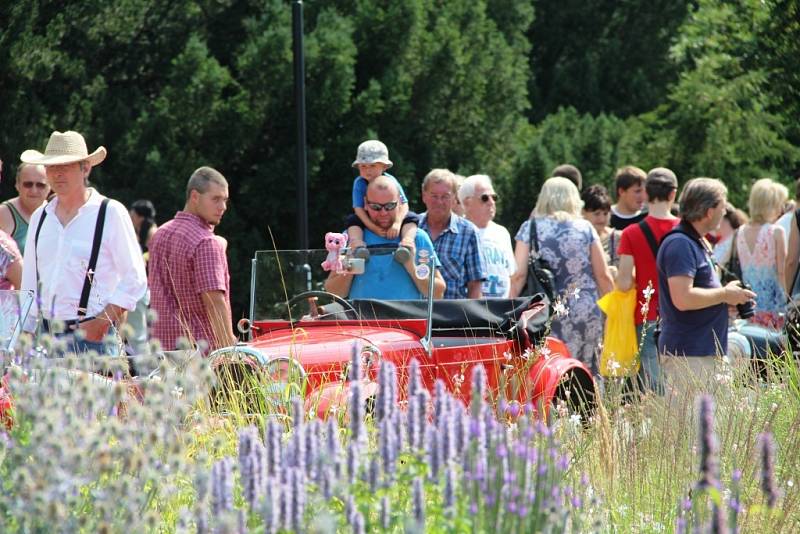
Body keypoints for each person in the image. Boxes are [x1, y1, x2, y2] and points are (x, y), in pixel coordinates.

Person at [19, 130, 147, 355]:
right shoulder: (41, 217)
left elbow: (135, 278)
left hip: (95, 337)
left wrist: (101, 322)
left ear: (85, 168)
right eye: (52, 167)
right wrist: (25, 333)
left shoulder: (110, 213)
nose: (57, 173)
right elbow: (30, 281)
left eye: (65, 166)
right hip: (46, 335)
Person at [656, 178, 756, 388]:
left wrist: (728, 300)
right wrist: (724, 295)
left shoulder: (694, 241)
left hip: (701, 350)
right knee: (693, 421)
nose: (725, 211)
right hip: (690, 354)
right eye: (722, 206)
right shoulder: (680, 244)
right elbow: (683, 298)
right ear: (709, 211)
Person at [510, 177, 614, 371]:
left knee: (548, 369)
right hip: (584, 311)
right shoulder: (585, 228)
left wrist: (508, 309)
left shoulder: (530, 228)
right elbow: (603, 275)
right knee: (587, 370)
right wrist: (614, 311)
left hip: (544, 313)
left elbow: (518, 275)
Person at [149, 167, 236, 352]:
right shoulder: (205, 241)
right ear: (195, 196)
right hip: (201, 357)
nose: (223, 207)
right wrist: (230, 353)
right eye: (216, 199)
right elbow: (215, 304)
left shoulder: (159, 235)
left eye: (225, 200)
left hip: (162, 353)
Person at [326, 176, 445, 299]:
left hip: (406, 317)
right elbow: (334, 293)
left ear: (399, 202)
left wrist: (411, 266)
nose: (383, 213)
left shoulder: (417, 237)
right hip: (363, 317)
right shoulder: (351, 237)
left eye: (390, 206)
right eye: (376, 207)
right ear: (365, 204)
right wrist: (351, 264)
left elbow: (438, 293)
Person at [615, 168, 680, 395]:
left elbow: (623, 283)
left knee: (656, 391)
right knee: (681, 387)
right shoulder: (685, 230)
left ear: (647, 193)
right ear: (673, 194)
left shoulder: (631, 233)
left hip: (646, 317)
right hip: (681, 316)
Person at [721, 178, 788, 328]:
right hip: (774, 306)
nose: (781, 208)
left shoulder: (739, 232)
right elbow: (782, 272)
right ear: (770, 204)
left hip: (747, 305)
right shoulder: (776, 231)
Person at [419, 168, 487, 299]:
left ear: (455, 198)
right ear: (424, 196)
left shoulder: (468, 232)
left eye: (445, 196)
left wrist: (471, 318)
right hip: (414, 314)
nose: (439, 202)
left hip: (453, 316)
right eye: (434, 196)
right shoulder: (412, 229)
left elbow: (475, 285)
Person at [345, 140, 417, 254]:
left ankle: (407, 243)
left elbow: (404, 204)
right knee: (352, 220)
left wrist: (397, 223)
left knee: (411, 218)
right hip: (367, 216)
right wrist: (372, 227)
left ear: (384, 166)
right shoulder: (359, 183)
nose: (368, 170)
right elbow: (358, 208)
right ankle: (357, 245)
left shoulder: (392, 181)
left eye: (372, 165)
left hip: (393, 216)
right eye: (363, 166)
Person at [459, 175, 516, 298]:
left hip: (501, 311)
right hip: (469, 310)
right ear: (467, 202)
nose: (491, 202)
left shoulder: (502, 233)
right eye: (484, 198)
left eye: (494, 197)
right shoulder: (458, 232)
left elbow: (512, 276)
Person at [125, 199, 158, 356]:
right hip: (139, 284)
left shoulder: (152, 231)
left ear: (140, 216)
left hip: (146, 285)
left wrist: (142, 258)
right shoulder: (136, 231)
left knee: (140, 333)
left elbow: (154, 255)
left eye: (132, 214)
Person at [0, 163, 50, 254]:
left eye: (40, 185)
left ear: (49, 187)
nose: (34, 190)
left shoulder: (56, 214)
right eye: (28, 184)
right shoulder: (3, 214)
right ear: (17, 185)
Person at [581, 185, 621, 278]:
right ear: (583, 212)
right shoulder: (577, 239)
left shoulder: (618, 238)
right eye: (597, 214)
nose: (602, 219)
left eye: (605, 213)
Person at [609, 166, 647, 230]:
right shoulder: (605, 217)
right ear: (621, 191)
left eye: (645, 191)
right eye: (637, 191)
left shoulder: (648, 217)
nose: (643, 196)